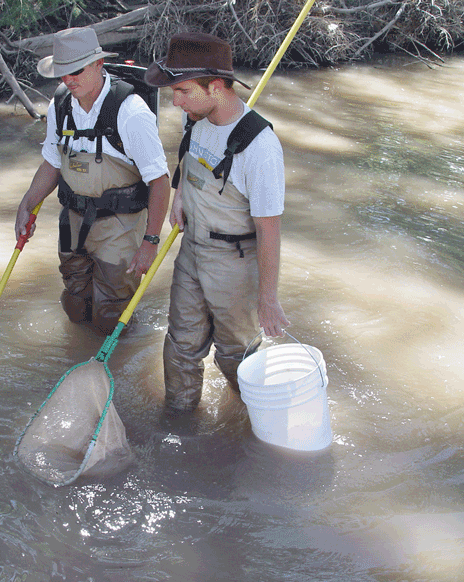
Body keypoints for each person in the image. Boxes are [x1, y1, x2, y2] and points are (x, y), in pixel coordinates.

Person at [145, 32, 290, 414]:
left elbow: (269, 229)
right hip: (191, 249)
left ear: (216, 87)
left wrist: (268, 299)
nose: (174, 101)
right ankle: (178, 423)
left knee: (235, 357)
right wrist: (180, 198)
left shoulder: (260, 148)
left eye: (182, 91)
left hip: (235, 263)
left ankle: (253, 423)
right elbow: (188, 158)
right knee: (179, 347)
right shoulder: (195, 114)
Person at [15, 27, 170, 334]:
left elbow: (160, 180)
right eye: (62, 74)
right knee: (75, 305)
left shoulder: (131, 112)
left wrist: (150, 242)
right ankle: (79, 352)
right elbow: (52, 162)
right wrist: (27, 204)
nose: (68, 80)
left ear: (99, 64)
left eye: (75, 71)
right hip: (71, 218)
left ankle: (115, 360)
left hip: (119, 223)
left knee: (111, 314)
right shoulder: (60, 105)